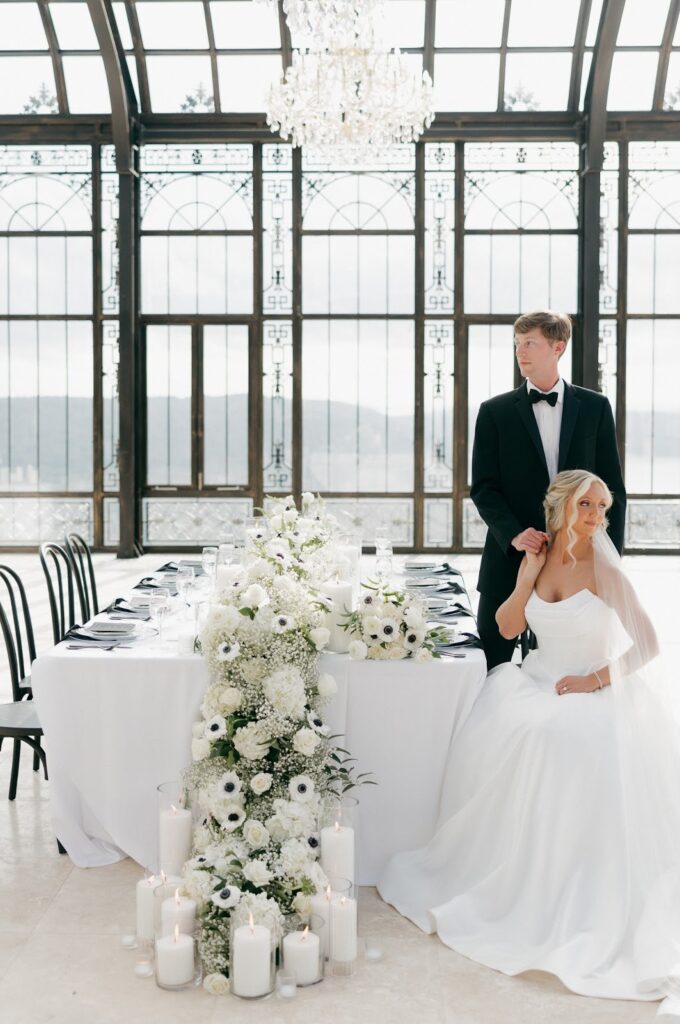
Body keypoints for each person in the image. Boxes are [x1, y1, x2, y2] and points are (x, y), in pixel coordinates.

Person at [379, 470, 680, 1011]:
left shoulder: (605, 570)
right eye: (585, 505)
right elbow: (510, 628)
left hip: (586, 689)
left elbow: (650, 645)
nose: (594, 516)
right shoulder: (538, 559)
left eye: (601, 507)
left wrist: (594, 680)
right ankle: (498, 878)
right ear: (562, 506)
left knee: (553, 736)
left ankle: (555, 894)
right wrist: (525, 580)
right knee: (510, 725)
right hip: (533, 679)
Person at [471, 310, 626, 670]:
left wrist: (609, 560)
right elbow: (484, 488)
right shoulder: (494, 412)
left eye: (530, 343)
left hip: (577, 562)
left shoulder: (595, 408)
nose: (520, 352)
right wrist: (513, 535)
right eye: (517, 344)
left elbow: (613, 488)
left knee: (564, 669)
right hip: (509, 559)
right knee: (489, 667)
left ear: (558, 347)